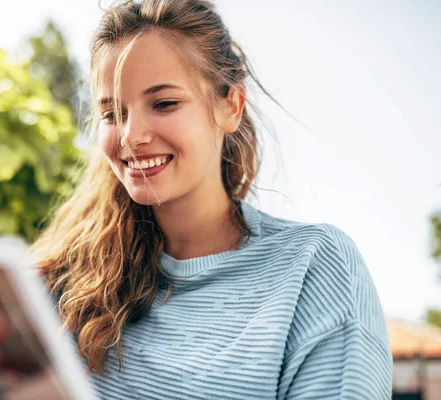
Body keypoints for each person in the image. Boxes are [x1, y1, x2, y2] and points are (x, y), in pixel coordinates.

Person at [32, 0, 393, 398]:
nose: (132, 136)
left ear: (230, 107)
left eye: (164, 103)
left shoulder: (313, 269)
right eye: (113, 114)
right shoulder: (64, 284)